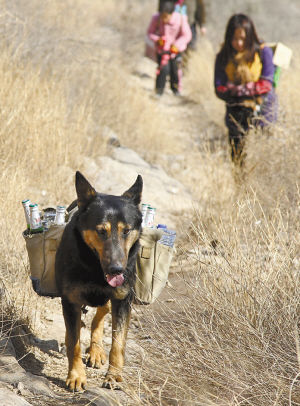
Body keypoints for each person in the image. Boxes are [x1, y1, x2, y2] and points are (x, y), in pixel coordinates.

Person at [214, 14, 278, 164]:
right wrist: (233, 92)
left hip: (262, 113)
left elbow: (267, 83)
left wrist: (241, 89)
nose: (239, 43)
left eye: (243, 38)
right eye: (235, 39)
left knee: (262, 159)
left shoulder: (263, 52)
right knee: (238, 159)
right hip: (235, 114)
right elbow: (219, 87)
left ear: (250, 36)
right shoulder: (223, 56)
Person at [147, 1, 192, 96]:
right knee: (163, 69)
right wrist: (157, 39)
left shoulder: (180, 19)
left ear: (172, 14)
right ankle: (159, 91)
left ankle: (175, 90)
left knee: (175, 70)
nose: (164, 19)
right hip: (162, 50)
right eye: (162, 16)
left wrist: (177, 45)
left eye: (166, 17)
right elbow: (150, 32)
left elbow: (187, 35)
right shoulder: (156, 18)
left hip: (175, 51)